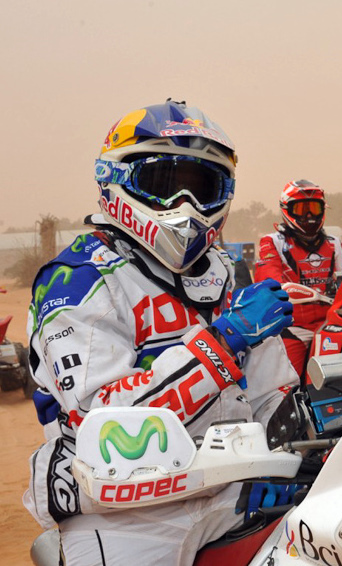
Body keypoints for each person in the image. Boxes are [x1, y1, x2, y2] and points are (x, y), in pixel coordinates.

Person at [24, 100, 296, 565]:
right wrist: (222, 343)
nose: (184, 204)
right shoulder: (78, 280)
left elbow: (272, 392)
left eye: (201, 187)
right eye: (165, 184)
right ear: (115, 177)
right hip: (124, 508)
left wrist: (299, 435)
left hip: (230, 490)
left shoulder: (224, 271)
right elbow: (103, 420)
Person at [255, 180, 342, 376]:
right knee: (290, 380)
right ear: (287, 210)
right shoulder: (273, 241)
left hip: (331, 323)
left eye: (314, 208)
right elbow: (268, 276)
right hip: (293, 325)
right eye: (302, 209)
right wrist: (281, 287)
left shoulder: (334, 243)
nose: (309, 215)